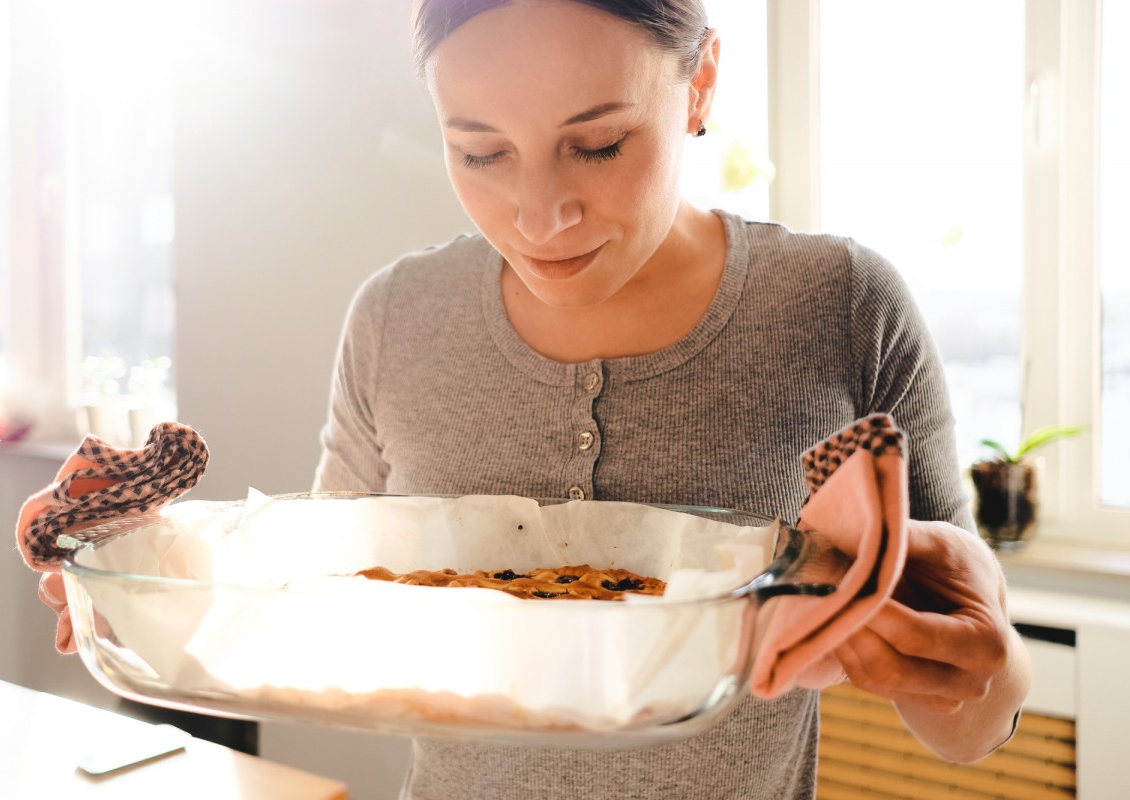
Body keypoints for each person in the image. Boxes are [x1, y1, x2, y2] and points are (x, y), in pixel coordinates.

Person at [312, 1, 1032, 797]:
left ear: (701, 85)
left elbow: (973, 727)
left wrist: (982, 668)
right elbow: (324, 611)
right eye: (480, 153)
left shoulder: (842, 307)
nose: (540, 217)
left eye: (597, 145)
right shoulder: (395, 317)